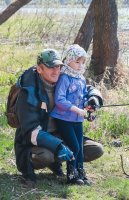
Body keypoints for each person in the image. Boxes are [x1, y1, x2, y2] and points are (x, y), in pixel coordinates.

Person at [14, 48, 104, 185]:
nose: (56, 71)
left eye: (58, 67)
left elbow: (86, 88)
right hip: (36, 141)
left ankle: (73, 170)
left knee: (95, 149)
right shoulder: (28, 92)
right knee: (47, 156)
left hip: (62, 133)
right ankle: (32, 163)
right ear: (39, 69)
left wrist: (94, 98)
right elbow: (30, 132)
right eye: (51, 67)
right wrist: (58, 146)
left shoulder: (62, 79)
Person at [51, 44, 94, 185]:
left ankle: (81, 173)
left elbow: (84, 96)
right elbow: (59, 99)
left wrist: (88, 105)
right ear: (68, 60)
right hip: (64, 118)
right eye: (77, 61)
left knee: (80, 147)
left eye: (82, 62)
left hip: (78, 119)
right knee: (74, 146)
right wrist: (76, 109)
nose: (80, 65)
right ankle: (71, 176)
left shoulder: (81, 78)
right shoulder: (64, 78)